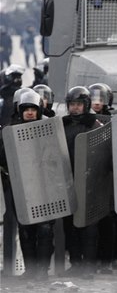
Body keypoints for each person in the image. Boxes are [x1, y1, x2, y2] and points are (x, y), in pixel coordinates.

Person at [0, 90, 55, 281]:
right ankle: (30, 269)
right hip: (21, 188)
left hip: (46, 188)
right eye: (26, 110)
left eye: (33, 109)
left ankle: (42, 270)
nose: (30, 113)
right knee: (26, 229)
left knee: (45, 229)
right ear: (20, 111)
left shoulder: (49, 129)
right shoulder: (9, 131)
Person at [61, 86, 103, 280]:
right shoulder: (63, 125)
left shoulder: (93, 125)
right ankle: (75, 262)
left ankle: (88, 266)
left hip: (89, 180)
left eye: (78, 105)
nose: (75, 108)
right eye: (72, 105)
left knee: (89, 226)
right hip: (68, 179)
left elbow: (103, 152)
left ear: (85, 105)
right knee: (70, 225)